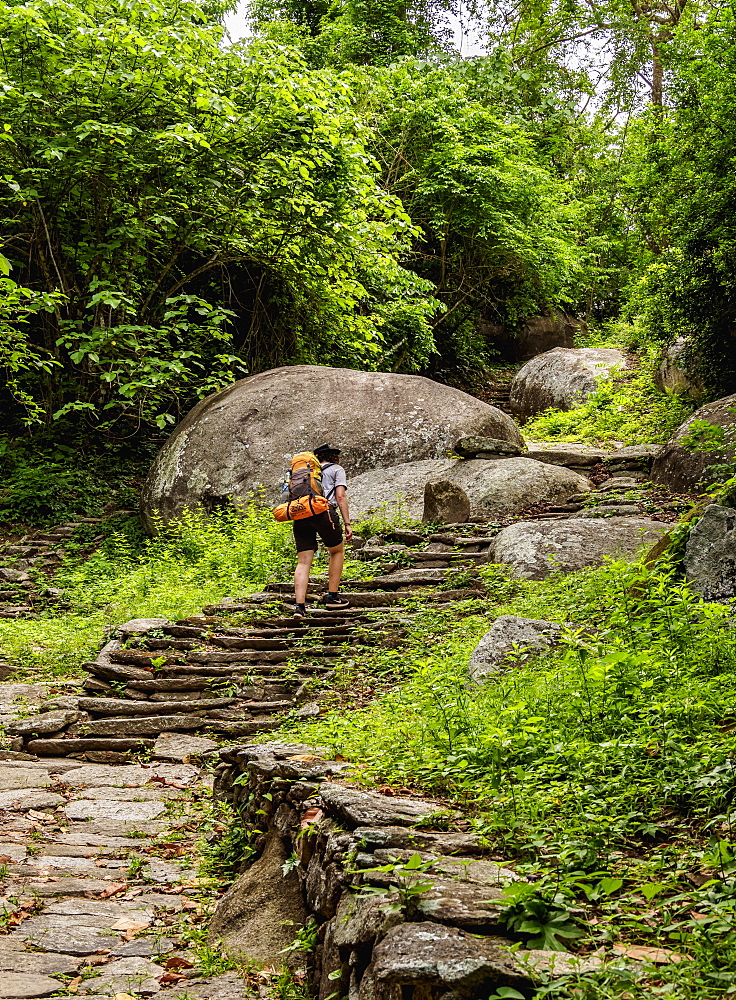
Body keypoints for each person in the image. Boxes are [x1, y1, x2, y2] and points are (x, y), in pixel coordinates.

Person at [292, 444, 353, 616]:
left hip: (301, 512)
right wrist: (347, 523)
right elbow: (340, 496)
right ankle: (332, 596)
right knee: (336, 551)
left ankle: (299, 607)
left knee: (303, 561)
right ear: (333, 456)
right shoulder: (336, 469)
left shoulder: (305, 473)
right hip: (323, 512)